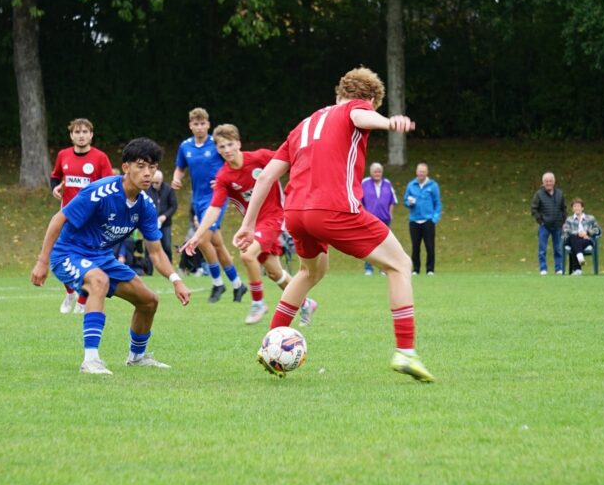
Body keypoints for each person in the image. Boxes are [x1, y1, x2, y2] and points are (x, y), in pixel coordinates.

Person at [234, 66, 435, 382]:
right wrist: (386, 122)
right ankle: (406, 352)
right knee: (400, 265)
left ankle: (269, 344)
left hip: (297, 214)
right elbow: (359, 116)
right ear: (369, 98)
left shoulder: (303, 125)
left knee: (311, 272)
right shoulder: (357, 107)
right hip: (334, 210)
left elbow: (267, 176)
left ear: (338, 92)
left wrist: (248, 223)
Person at [31, 138, 191, 375]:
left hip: (102, 257)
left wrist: (176, 280)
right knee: (99, 281)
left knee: (149, 301)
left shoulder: (145, 205)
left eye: (153, 167)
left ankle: (137, 357)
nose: (148, 173)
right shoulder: (101, 191)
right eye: (141, 166)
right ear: (126, 168)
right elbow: (58, 219)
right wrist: (42, 261)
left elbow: (156, 252)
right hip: (68, 252)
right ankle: (91, 360)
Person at [181, 124, 317, 325]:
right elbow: (214, 209)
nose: (227, 150)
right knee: (274, 273)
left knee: (247, 254)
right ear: (217, 149)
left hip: (274, 217)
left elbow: (290, 160)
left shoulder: (260, 158)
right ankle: (306, 304)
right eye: (221, 147)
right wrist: (197, 236)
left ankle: (258, 303)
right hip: (253, 225)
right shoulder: (224, 177)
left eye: (230, 144)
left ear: (238, 143)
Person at [171, 107, 246, 303]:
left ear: (208, 124)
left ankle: (218, 283)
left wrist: (224, 180)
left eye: (202, 123)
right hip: (198, 199)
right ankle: (238, 284)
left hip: (216, 198)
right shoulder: (185, 146)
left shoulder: (217, 144)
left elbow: (233, 161)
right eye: (195, 124)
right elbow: (180, 167)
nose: (199, 127)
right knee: (217, 244)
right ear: (190, 126)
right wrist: (176, 178)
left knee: (203, 239)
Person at [50, 118, 114, 314]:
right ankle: (70, 293)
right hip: (67, 216)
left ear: (91, 135)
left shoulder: (100, 158)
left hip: (91, 220)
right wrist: (56, 188)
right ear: (71, 135)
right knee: (59, 256)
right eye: (77, 132)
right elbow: (55, 176)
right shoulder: (63, 155)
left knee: (87, 259)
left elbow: (110, 186)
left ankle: (82, 298)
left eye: (85, 132)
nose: (81, 135)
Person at [403, 162, 442, 275]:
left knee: (430, 246)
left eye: (423, 172)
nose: (421, 174)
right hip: (414, 220)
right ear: (416, 172)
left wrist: (434, 218)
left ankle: (430, 269)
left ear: (427, 173)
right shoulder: (411, 185)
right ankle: (416, 269)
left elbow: (437, 203)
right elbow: (405, 201)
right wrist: (409, 203)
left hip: (428, 220)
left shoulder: (433, 186)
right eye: (420, 171)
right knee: (415, 246)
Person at [360, 162, 398, 275]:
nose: (377, 174)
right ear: (371, 172)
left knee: (384, 244)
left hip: (384, 219)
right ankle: (368, 268)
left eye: (379, 171)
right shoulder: (364, 183)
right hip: (369, 219)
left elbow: (393, 200)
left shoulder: (387, 183)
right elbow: (358, 200)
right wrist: (363, 214)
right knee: (368, 244)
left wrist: (390, 214)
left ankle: (383, 268)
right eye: (375, 171)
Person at [531, 172, 566, 275]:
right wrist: (540, 221)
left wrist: (563, 221)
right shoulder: (539, 194)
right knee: (542, 249)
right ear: (543, 182)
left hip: (558, 226)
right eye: (546, 181)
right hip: (544, 226)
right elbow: (534, 209)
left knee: (558, 249)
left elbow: (563, 208)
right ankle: (543, 269)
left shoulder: (560, 193)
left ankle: (558, 269)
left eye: (550, 181)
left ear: (554, 182)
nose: (548, 183)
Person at [144, 169, 177, 262]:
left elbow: (173, 206)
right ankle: (147, 271)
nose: (154, 184)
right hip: (150, 223)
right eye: (152, 182)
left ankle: (169, 268)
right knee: (148, 247)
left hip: (165, 223)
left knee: (166, 245)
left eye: (157, 182)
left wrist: (165, 216)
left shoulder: (169, 189)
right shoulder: (147, 190)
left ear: (161, 181)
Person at [562, 198, 601, 275]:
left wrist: (587, 232)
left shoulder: (590, 218)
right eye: (575, 206)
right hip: (572, 239)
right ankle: (580, 257)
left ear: (582, 208)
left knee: (576, 244)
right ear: (572, 209)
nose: (577, 208)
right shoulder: (569, 219)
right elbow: (566, 230)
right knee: (573, 237)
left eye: (578, 206)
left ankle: (577, 269)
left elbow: (597, 230)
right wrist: (578, 234)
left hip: (586, 240)